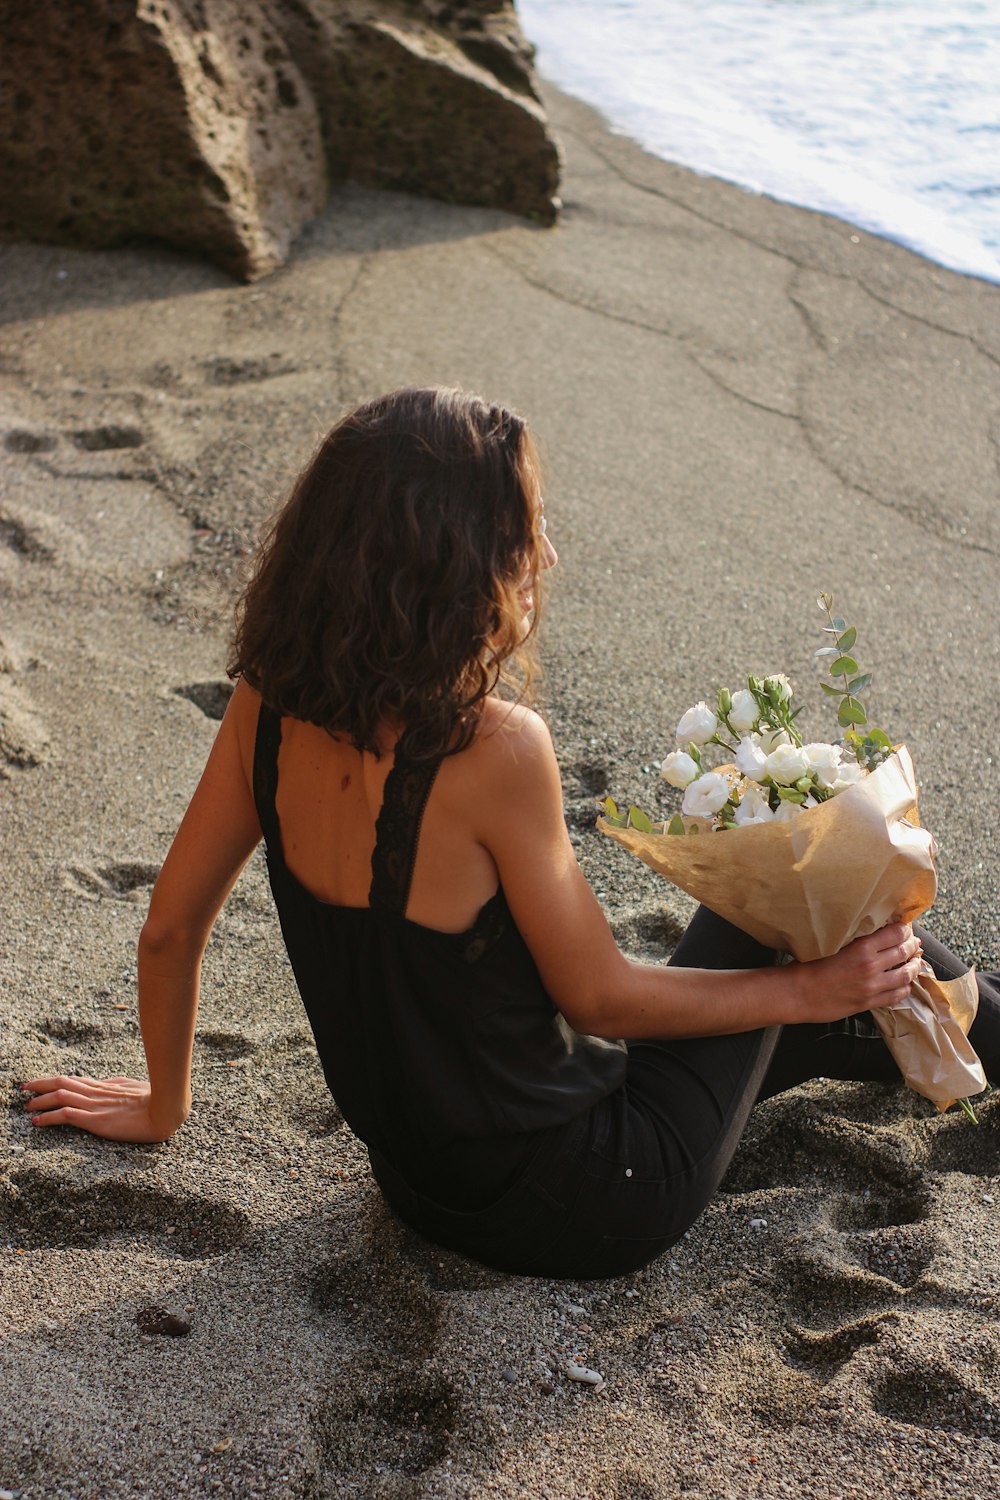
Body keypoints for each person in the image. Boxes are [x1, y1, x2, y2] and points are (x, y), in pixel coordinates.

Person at [22, 388, 998, 1279]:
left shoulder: (264, 705)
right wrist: (811, 981)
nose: (548, 556)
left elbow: (167, 929)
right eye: (526, 530)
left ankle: (916, 1023)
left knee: (831, 1010)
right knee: (802, 889)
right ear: (455, 569)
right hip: (591, 1199)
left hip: (422, 1184)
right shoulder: (493, 749)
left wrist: (163, 1105)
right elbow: (601, 998)